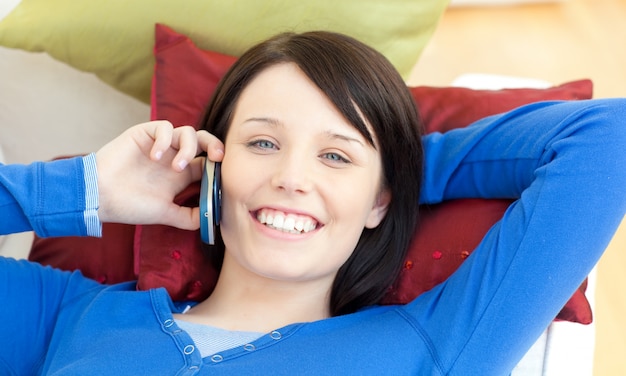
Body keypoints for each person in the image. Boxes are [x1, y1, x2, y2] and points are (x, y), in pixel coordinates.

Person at [1, 31, 625, 375]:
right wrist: (81, 189)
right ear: (214, 166)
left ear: (382, 200)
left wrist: (390, 168)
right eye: (264, 142)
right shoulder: (71, 314)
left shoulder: (432, 346)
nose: (292, 178)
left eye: (333, 156)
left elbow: (608, 137)